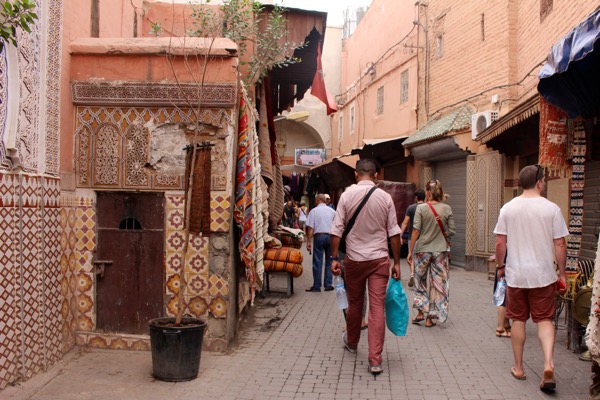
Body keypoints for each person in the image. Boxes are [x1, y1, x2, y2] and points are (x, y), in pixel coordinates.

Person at [494, 164, 568, 391]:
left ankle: (518, 367)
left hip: (516, 275)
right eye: (543, 180)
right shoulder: (552, 209)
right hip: (543, 275)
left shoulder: (508, 208)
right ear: (539, 182)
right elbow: (560, 244)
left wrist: (500, 266)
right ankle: (548, 363)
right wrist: (562, 274)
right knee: (544, 320)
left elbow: (500, 242)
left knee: (518, 320)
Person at [330, 159, 401, 376]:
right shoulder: (385, 197)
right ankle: (375, 360)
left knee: (354, 304)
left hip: (354, 260)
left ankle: (352, 342)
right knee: (377, 307)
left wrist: (334, 258)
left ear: (356, 174)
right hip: (379, 259)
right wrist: (397, 262)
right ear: (376, 174)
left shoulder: (346, 196)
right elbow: (394, 233)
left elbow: (337, 230)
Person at [408, 179, 455, 328]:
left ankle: (421, 312)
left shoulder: (421, 208)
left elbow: (416, 230)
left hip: (422, 250)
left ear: (428, 192)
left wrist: (410, 251)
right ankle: (431, 318)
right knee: (437, 284)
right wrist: (442, 235)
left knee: (420, 280)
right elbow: (452, 231)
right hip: (440, 251)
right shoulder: (446, 208)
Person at [305, 194, 337, 292]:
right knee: (329, 262)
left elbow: (311, 227)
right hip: (330, 237)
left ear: (318, 200)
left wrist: (308, 241)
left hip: (319, 237)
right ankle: (328, 285)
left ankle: (317, 286)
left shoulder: (314, 211)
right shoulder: (332, 211)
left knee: (317, 262)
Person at [400, 188, 425, 288]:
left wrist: (400, 235)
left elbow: (405, 222)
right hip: (425, 237)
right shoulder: (427, 207)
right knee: (421, 258)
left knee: (412, 257)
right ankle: (420, 277)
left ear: (416, 197)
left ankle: (412, 274)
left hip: (412, 236)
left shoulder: (411, 208)